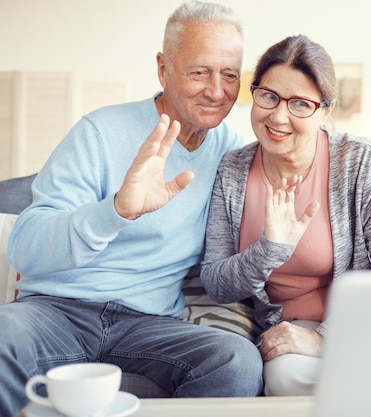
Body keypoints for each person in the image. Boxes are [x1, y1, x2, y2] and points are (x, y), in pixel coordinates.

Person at [0, 2, 263, 415]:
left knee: (238, 362)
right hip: (57, 312)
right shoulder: (99, 132)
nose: (216, 90)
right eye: (199, 72)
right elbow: (25, 248)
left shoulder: (232, 153)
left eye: (229, 74)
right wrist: (117, 211)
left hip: (150, 326)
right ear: (163, 68)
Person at [199, 34, 371, 396]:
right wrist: (270, 249)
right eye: (268, 95)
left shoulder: (360, 161)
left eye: (300, 103)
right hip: (288, 331)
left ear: (325, 112)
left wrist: (323, 339)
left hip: (366, 323)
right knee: (287, 378)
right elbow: (216, 281)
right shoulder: (234, 170)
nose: (279, 115)